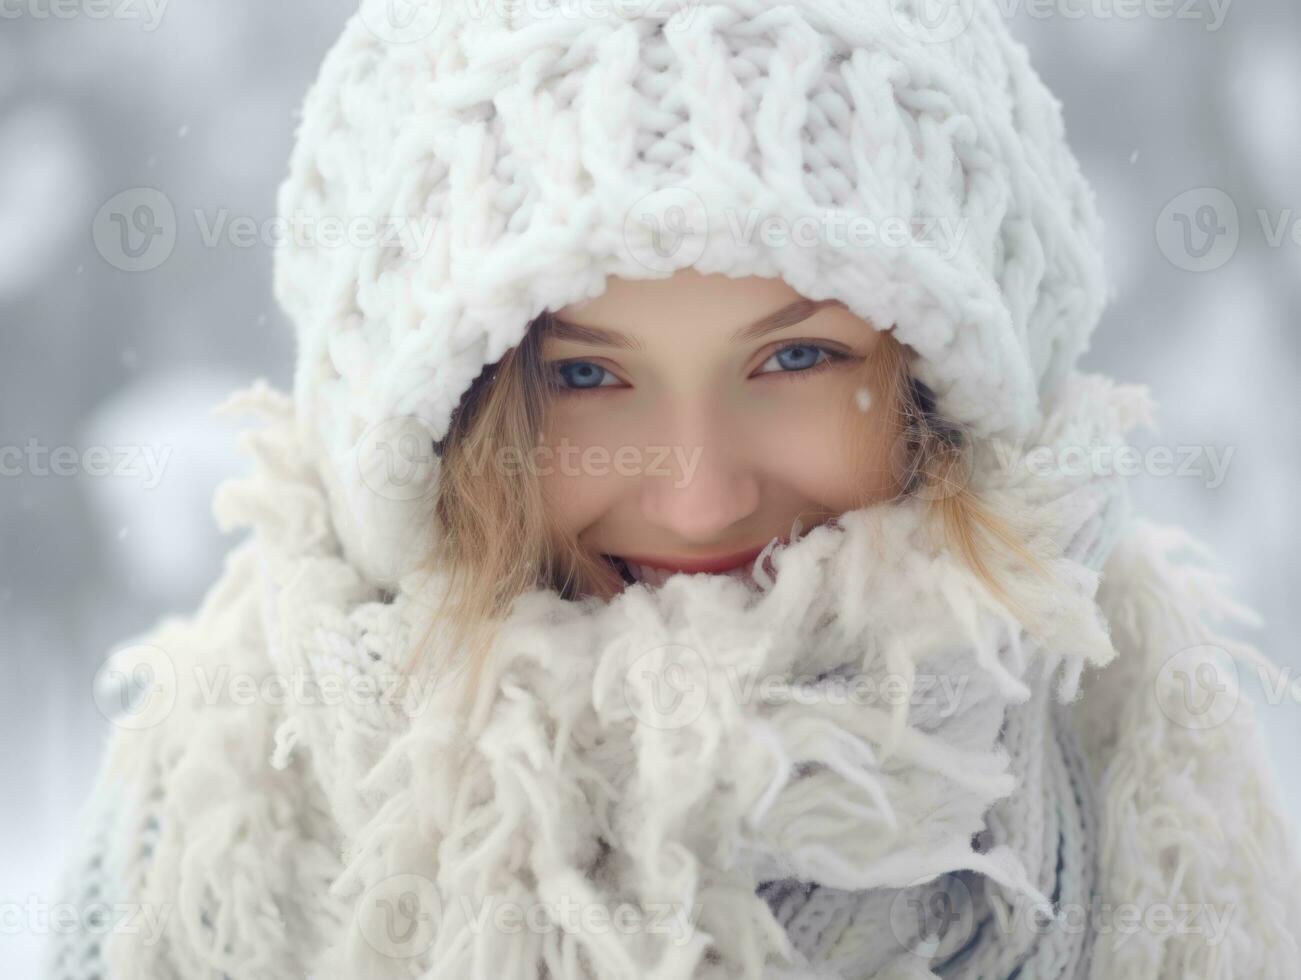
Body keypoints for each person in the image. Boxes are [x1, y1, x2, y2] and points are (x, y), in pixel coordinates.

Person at [48, 0, 1301, 977]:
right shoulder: (208, 855)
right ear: (433, 437)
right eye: (587, 375)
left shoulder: (1145, 815)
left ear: (941, 397)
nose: (700, 497)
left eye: (795, 356)